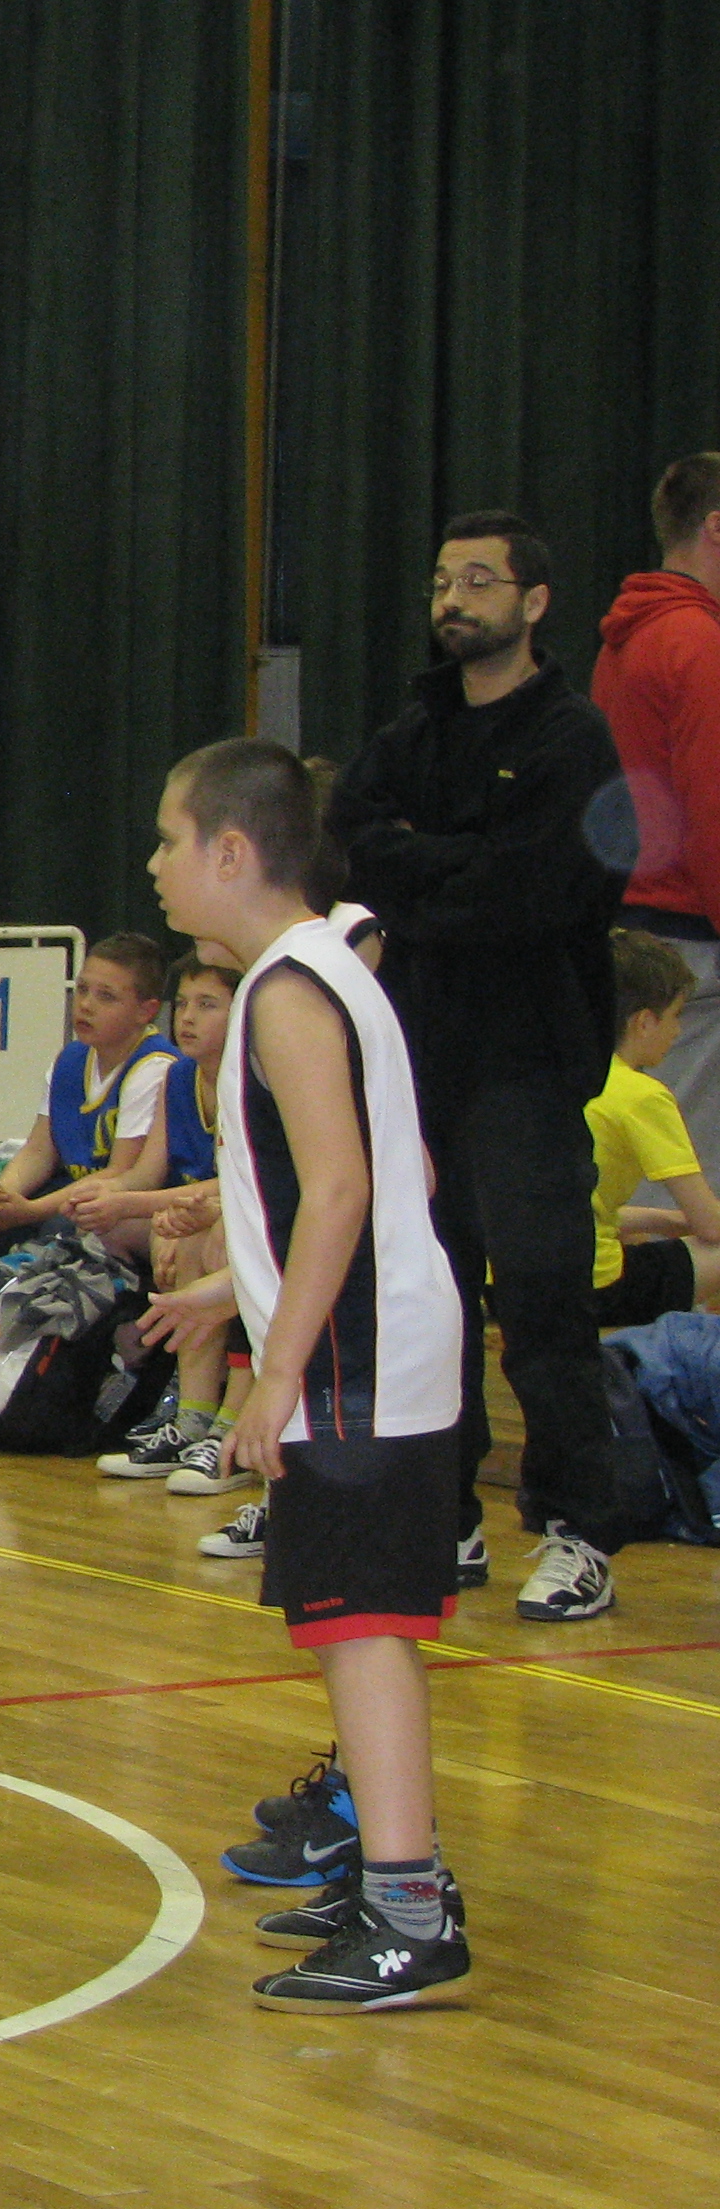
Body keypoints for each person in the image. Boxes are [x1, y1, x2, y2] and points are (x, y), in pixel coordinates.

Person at [141, 738, 471, 2011]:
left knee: (361, 1633)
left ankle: (408, 1912)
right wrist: (238, 1288)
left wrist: (274, 1370)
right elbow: (402, 1176)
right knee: (359, 1630)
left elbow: (342, 1188)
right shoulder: (329, 968)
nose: (156, 865)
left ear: (231, 852)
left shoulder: (285, 992)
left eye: (170, 839)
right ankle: (396, 1877)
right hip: (378, 1343)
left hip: (354, 1364)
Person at [330, 511, 633, 1620]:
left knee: (543, 1296)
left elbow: (539, 891)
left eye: (478, 580)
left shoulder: (572, 740)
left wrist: (424, 873)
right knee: (429, 1294)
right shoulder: (413, 730)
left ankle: (578, 1530)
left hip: (530, 1061)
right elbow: (351, 839)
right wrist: (454, 867)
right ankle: (443, 1514)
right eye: (441, 581)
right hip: (420, 1058)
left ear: (534, 602)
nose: (453, 600)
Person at [93, 950, 255, 1495]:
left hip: (248, 1216)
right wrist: (118, 1201)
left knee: (220, 1241)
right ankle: (192, 1418)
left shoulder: (254, 1077)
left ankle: (233, 1433)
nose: (187, 1018)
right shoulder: (180, 1076)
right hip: (202, 1212)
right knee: (184, 1236)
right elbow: (150, 1173)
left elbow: (247, 1183)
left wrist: (153, 1210)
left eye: (207, 1005)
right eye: (182, 1004)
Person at [596, 452, 720, 1156]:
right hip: (692, 943)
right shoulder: (696, 641)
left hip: (639, 926)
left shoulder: (627, 638)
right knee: (685, 1167)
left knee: (647, 1154)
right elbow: (713, 812)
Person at [0, 933, 178, 1272]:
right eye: (82, 989)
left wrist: (30, 1211)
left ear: (146, 1011)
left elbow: (122, 1172)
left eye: (106, 996)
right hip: (71, 1194)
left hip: (122, 1207)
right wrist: (2, 1196)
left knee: (60, 1231)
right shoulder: (70, 1060)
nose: (86, 1005)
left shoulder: (155, 1067)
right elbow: (39, 1150)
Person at [588, 927, 720, 1326]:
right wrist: (687, 1221)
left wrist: (667, 1220)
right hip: (594, 1288)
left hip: (508, 1282)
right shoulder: (643, 1095)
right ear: (645, 1022)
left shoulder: (573, 1077)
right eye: (676, 1016)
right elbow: (711, 1226)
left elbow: (590, 1212)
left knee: (635, 1237)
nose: (678, 1031)